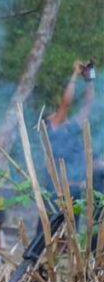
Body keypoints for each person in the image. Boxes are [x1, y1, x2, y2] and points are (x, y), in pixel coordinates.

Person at [44, 60, 95, 213]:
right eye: (54, 114)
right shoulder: (51, 128)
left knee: (71, 234)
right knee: (51, 233)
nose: (58, 115)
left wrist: (89, 77)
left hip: (74, 190)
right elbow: (65, 104)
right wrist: (74, 74)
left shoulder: (71, 128)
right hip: (56, 190)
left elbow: (88, 104)